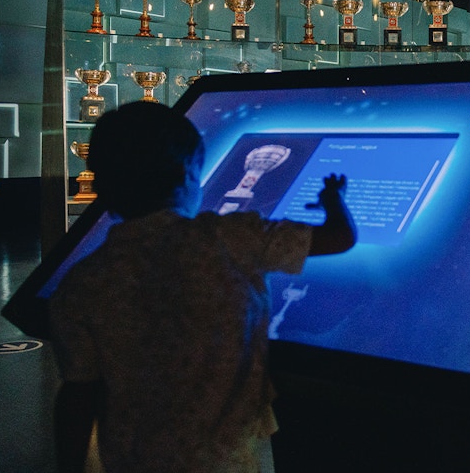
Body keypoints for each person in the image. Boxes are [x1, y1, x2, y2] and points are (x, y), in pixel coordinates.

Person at [49, 102, 357, 473]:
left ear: (99, 183)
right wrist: (333, 200)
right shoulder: (230, 239)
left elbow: (78, 393)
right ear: (188, 174)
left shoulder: (81, 283)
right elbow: (339, 238)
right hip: (225, 459)